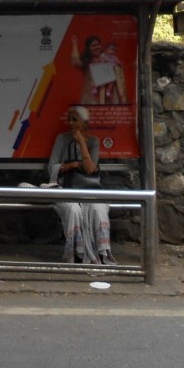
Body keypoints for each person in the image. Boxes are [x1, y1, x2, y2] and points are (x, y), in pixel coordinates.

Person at [47, 106, 116, 265]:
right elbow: (52, 167)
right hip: (65, 188)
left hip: (88, 189)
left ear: (85, 123)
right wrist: (74, 165)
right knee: (73, 209)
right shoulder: (62, 139)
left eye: (75, 120)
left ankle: (101, 252)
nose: (70, 123)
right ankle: (77, 251)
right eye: (69, 119)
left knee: (98, 209)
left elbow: (91, 169)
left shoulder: (93, 142)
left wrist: (82, 143)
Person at [71, 35, 126, 105]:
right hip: (90, 96)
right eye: (93, 46)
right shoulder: (87, 60)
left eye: (98, 45)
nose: (96, 47)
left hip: (107, 97)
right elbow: (75, 63)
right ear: (88, 48)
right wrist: (74, 44)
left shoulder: (107, 57)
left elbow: (119, 70)